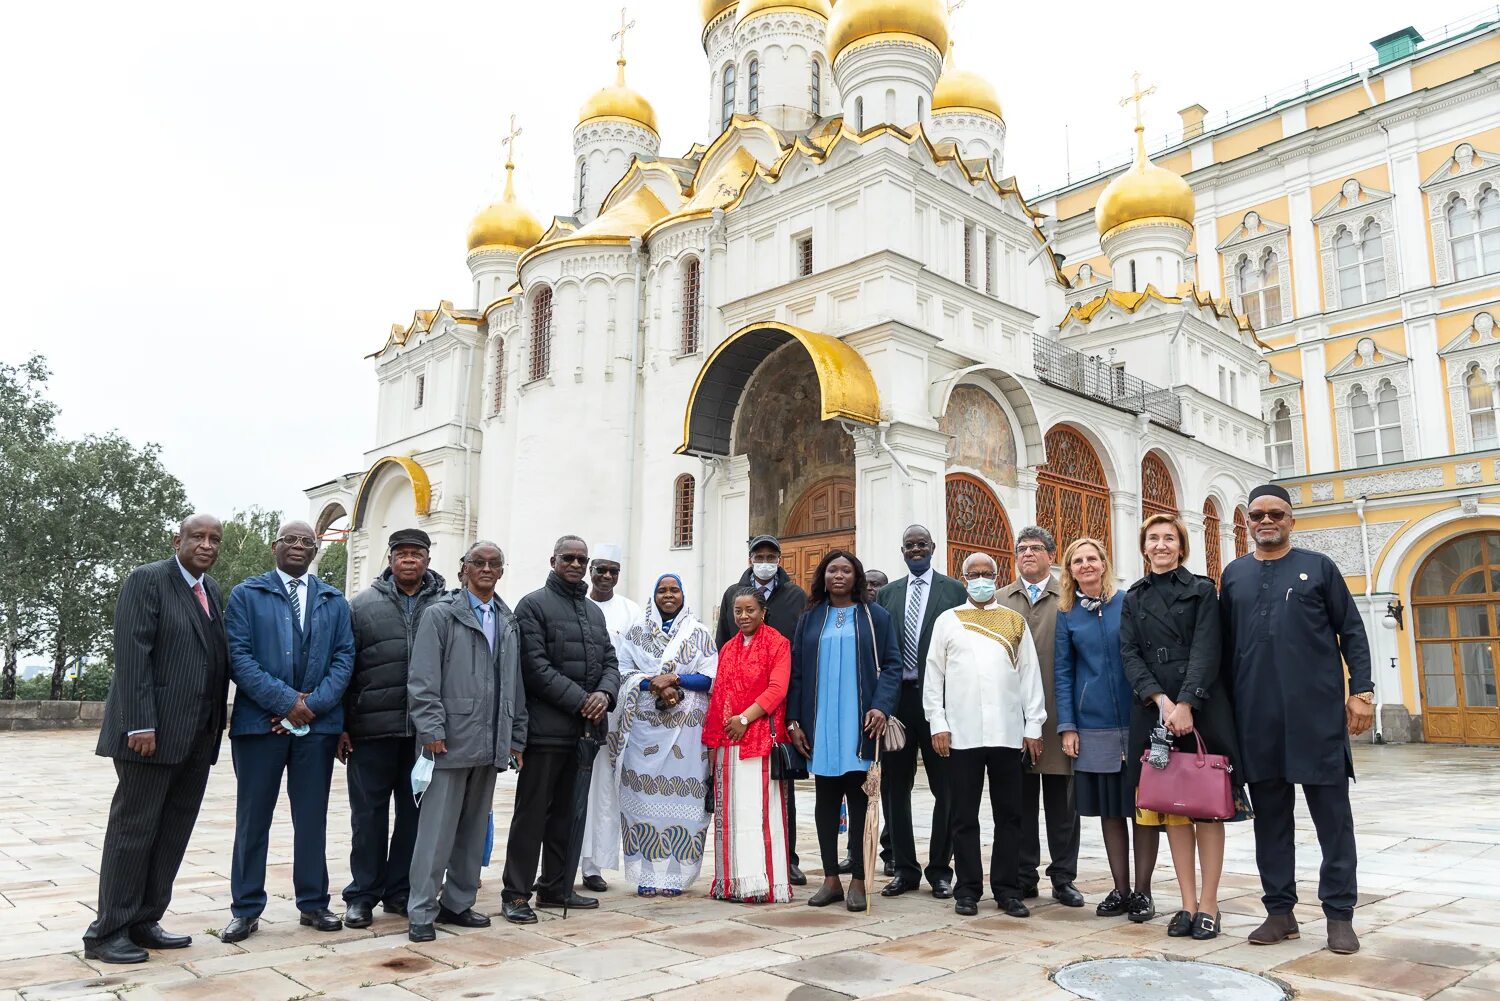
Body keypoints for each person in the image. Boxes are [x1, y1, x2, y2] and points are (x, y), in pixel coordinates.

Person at [1221, 484, 1374, 955]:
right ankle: (1280, 911)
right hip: (1256, 717)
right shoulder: (1233, 576)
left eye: (1277, 514)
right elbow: (1223, 650)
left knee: (1333, 820)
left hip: (1316, 717)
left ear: (1292, 520)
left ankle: (1339, 915)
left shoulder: (1319, 568)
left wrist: (1362, 692)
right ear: (1245, 523)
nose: (1267, 521)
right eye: (1257, 514)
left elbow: (1352, 630)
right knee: (1270, 820)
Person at [84, 514, 229, 964]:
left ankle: (146, 920)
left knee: (171, 833)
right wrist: (139, 724)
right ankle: (108, 931)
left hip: (197, 737)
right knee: (134, 832)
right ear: (178, 540)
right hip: (149, 736)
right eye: (198, 537)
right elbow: (132, 656)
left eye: (214, 540)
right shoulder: (147, 580)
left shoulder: (212, 592)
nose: (206, 545)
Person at [222, 521, 355, 943]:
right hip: (259, 726)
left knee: (312, 818)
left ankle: (314, 904)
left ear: (316, 550)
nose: (298, 546)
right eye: (290, 540)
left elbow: (344, 659)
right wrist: (285, 703)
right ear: (274, 546)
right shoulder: (247, 594)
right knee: (252, 819)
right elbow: (238, 657)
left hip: (316, 730)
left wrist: (309, 708)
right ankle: (245, 909)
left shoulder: (335, 601)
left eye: (307, 542)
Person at [1121, 514, 1250, 942]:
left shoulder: (1200, 590)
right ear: (1144, 547)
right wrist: (1160, 701)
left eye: (1168, 539)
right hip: (1155, 710)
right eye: (1153, 539)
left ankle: (1210, 905)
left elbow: (1206, 648)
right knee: (1174, 806)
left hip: (1202, 708)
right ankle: (1187, 903)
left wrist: (1187, 703)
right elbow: (1130, 655)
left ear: (1181, 546)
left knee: (1205, 805)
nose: (1160, 545)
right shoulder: (1134, 597)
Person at [405, 541, 526, 942]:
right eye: (479, 562)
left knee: (474, 830)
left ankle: (457, 903)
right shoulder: (441, 614)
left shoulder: (507, 621)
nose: (487, 569)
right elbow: (423, 679)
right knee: (436, 832)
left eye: (494, 563)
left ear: (502, 571)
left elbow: (515, 685)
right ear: (464, 569)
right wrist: (432, 729)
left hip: (490, 740)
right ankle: (422, 910)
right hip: (449, 740)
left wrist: (515, 735)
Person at [501, 535, 621, 923]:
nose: (576, 564)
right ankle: (516, 893)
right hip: (546, 730)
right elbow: (534, 667)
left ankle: (555, 886)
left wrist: (605, 694)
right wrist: (580, 700)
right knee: (532, 814)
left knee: (570, 815)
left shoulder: (593, 611)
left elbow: (610, 661)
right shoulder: (533, 605)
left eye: (581, 559)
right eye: (568, 557)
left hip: (585, 733)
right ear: (553, 560)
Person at [926, 552, 1047, 918]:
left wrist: (1034, 726)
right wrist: (938, 722)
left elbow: (1030, 676)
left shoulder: (1014, 622)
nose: (980, 579)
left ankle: (1008, 889)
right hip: (961, 734)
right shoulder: (948, 621)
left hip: (1008, 734)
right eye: (973, 574)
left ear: (997, 576)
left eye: (987, 573)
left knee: (1010, 815)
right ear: (963, 579)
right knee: (963, 815)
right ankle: (968, 889)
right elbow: (934, 677)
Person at [339, 528, 447, 928]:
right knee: (367, 817)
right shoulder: (362, 605)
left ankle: (400, 891)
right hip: (372, 729)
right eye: (401, 553)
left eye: (416, 553)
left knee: (414, 817)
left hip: (424, 734)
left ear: (427, 559)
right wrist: (343, 725)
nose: (408, 560)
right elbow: (346, 668)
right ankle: (362, 895)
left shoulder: (447, 604)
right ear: (389, 559)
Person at [786, 550, 901, 912]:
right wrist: (794, 722)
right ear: (823, 576)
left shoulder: (875, 617)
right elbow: (797, 672)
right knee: (825, 799)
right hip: (820, 722)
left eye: (845, 570)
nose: (838, 575)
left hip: (860, 723)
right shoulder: (810, 618)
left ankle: (859, 881)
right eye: (832, 570)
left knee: (860, 798)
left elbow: (893, 665)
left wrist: (882, 706)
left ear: (857, 577)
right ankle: (831, 879)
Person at [1054, 537, 1160, 924]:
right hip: (1093, 725)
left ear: (1104, 563)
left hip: (1137, 720)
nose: (1086, 565)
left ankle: (1144, 893)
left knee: (1142, 808)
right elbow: (1063, 673)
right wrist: (1068, 725)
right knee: (1111, 812)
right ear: (1070, 570)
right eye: (1078, 561)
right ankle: (1121, 888)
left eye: (1092, 558)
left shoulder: (1128, 602)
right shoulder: (1067, 614)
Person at [873, 525, 965, 900]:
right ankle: (905, 868)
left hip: (939, 702)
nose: (916, 550)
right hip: (899, 701)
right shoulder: (888, 594)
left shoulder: (954, 591)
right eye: (909, 545)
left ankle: (941, 870)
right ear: (902, 549)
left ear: (933, 547)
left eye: (921, 544)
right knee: (896, 788)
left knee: (946, 787)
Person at [715, 534, 809, 885]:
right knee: (742, 787)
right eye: (759, 555)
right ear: (751, 558)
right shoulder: (733, 593)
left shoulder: (795, 596)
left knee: (779, 783)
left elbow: (796, 651)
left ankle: (788, 856)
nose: (765, 561)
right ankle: (745, 857)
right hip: (739, 701)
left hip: (778, 699)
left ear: (780, 559)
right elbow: (724, 642)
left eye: (772, 556)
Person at [615, 574, 718, 896]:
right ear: (654, 595)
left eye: (674, 590)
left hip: (686, 736)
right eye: (662, 590)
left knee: (685, 803)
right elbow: (621, 672)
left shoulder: (698, 633)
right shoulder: (636, 632)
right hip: (643, 732)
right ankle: (646, 872)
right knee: (640, 803)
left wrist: (674, 680)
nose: (668, 595)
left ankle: (676, 874)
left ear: (683, 595)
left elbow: (711, 677)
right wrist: (652, 684)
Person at [998, 526, 1083, 908]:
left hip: (1060, 715)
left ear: (1052, 554)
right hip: (1011, 719)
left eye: (1036, 548)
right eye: (1022, 549)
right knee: (1019, 801)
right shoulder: (999, 601)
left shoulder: (1069, 595)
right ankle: (1024, 874)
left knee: (1063, 804)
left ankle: (1063, 878)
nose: (1028, 554)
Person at [704, 587, 793, 902]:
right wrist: (717, 737)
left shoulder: (777, 644)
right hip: (729, 740)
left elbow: (777, 689)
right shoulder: (727, 648)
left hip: (758, 739)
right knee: (732, 816)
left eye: (750, 610)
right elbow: (719, 696)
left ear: (763, 611)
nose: (743, 617)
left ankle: (763, 884)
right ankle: (732, 882)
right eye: (738, 611)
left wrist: (744, 718)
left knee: (758, 814)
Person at [579, 544, 643, 894]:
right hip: (576, 706)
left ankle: (593, 865)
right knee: (574, 785)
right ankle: (563, 860)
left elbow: (637, 659)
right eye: (601, 569)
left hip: (616, 712)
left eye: (613, 571)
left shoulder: (630, 611)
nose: (606, 576)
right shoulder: (578, 606)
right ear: (591, 570)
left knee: (605, 787)